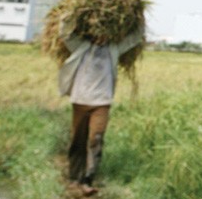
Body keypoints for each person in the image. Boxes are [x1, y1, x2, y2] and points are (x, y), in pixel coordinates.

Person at [58, 27, 142, 196]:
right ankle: (74, 177)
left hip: (102, 102)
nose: (101, 36)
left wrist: (139, 21)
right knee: (78, 140)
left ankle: (87, 180)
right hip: (80, 100)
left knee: (96, 139)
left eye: (105, 32)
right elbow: (64, 33)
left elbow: (134, 38)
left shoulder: (113, 49)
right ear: (92, 33)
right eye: (97, 31)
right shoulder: (81, 46)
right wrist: (68, 17)